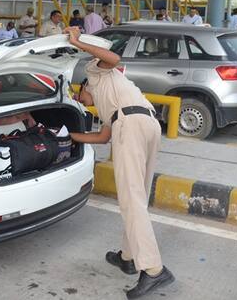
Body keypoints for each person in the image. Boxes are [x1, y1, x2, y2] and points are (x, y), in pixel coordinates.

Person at [65, 26, 174, 299]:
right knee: (137, 196)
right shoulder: (111, 98)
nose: (81, 102)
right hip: (148, 124)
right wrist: (69, 137)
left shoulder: (95, 74)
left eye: (79, 97)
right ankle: (128, 257)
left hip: (132, 125)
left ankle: (153, 270)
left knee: (131, 200)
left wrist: (77, 42)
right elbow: (102, 137)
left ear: (84, 88)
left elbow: (113, 59)